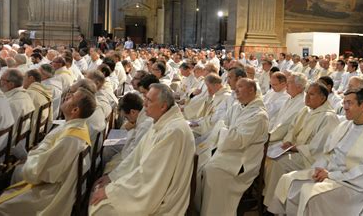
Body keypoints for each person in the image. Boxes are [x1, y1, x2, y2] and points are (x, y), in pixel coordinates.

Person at [273, 88, 363, 215]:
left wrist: (331, 175)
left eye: (349, 103)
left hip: (353, 186)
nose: (344, 107)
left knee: (312, 195)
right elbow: (328, 153)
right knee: (289, 180)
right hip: (330, 174)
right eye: (344, 103)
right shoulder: (344, 126)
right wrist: (319, 169)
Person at [89, 84, 195, 215]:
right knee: (99, 194)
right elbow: (136, 156)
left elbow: (150, 174)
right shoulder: (160, 122)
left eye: (149, 101)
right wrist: (112, 177)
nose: (144, 104)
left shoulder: (173, 132)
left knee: (99, 207)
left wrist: (111, 191)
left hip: (162, 198)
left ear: (163, 106)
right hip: (149, 185)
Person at [0, 87, 96, 215]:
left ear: (75, 110)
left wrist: (29, 158)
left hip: (50, 193)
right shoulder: (76, 126)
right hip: (52, 181)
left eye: (72, 97)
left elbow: (42, 172)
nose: (67, 96)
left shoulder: (71, 138)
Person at [264, 83, 339, 212]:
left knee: (278, 164)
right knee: (268, 157)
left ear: (322, 98)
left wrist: (296, 148)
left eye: (312, 94)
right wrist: (288, 142)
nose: (307, 97)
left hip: (309, 157)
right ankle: (267, 197)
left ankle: (274, 206)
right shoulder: (305, 110)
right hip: (295, 150)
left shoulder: (328, 117)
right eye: (307, 93)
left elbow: (319, 147)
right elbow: (292, 129)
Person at [200, 79, 269, 215]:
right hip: (230, 152)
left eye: (240, 87)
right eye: (236, 87)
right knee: (201, 163)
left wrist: (224, 130)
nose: (236, 90)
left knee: (212, 170)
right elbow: (223, 124)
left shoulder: (259, 115)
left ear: (251, 90)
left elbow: (238, 140)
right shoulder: (237, 106)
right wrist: (225, 130)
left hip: (244, 161)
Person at [103, 92, 153, 172]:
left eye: (126, 117)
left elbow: (133, 153)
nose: (127, 120)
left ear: (133, 112)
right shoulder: (142, 116)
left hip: (137, 163)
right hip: (133, 154)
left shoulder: (145, 125)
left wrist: (131, 130)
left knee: (109, 154)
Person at [0, 69, 35, 141]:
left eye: (2, 79)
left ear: (11, 84)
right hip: (18, 139)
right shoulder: (25, 95)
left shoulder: (10, 103)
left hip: (6, 143)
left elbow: (0, 132)